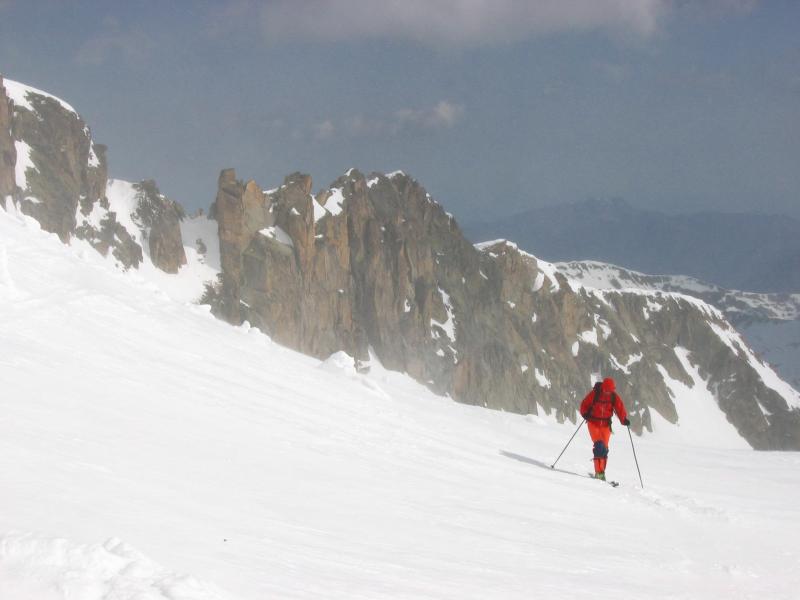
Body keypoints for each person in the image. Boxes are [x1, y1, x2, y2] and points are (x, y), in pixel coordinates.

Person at [579, 377, 630, 481]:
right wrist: (585, 414)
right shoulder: (595, 394)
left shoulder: (613, 397)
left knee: (605, 450)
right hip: (593, 423)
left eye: (610, 390)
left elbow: (620, 407)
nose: (607, 392)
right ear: (603, 388)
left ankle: (601, 472)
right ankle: (599, 473)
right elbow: (584, 404)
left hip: (606, 425)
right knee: (599, 447)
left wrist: (624, 419)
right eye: (606, 390)